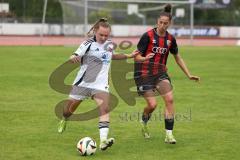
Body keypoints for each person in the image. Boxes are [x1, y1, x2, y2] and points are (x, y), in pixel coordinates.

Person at [57, 18, 136, 150]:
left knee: (104, 108)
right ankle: (64, 119)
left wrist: (129, 55)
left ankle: (103, 141)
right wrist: (73, 58)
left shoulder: (109, 44)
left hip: (100, 84)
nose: (104, 37)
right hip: (83, 83)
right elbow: (75, 54)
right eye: (101, 35)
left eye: (106, 35)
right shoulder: (88, 43)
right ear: (95, 31)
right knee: (67, 111)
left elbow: (112, 56)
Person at [134, 4, 200, 144]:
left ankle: (169, 135)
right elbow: (136, 57)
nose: (163, 25)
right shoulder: (147, 36)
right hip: (143, 74)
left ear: (170, 23)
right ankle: (144, 122)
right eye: (161, 22)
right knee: (152, 105)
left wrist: (188, 74)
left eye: (166, 23)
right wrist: (145, 58)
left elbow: (177, 57)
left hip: (160, 74)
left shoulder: (170, 39)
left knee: (169, 99)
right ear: (157, 22)